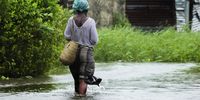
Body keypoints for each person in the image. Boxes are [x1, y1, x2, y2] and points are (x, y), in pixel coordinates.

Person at [64, 0, 102, 96]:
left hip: (72, 53)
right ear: (86, 9)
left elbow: (66, 36)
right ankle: (82, 97)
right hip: (86, 53)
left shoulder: (71, 20)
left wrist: (75, 39)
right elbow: (94, 40)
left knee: (77, 79)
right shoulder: (90, 22)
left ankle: (77, 96)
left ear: (75, 9)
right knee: (83, 79)